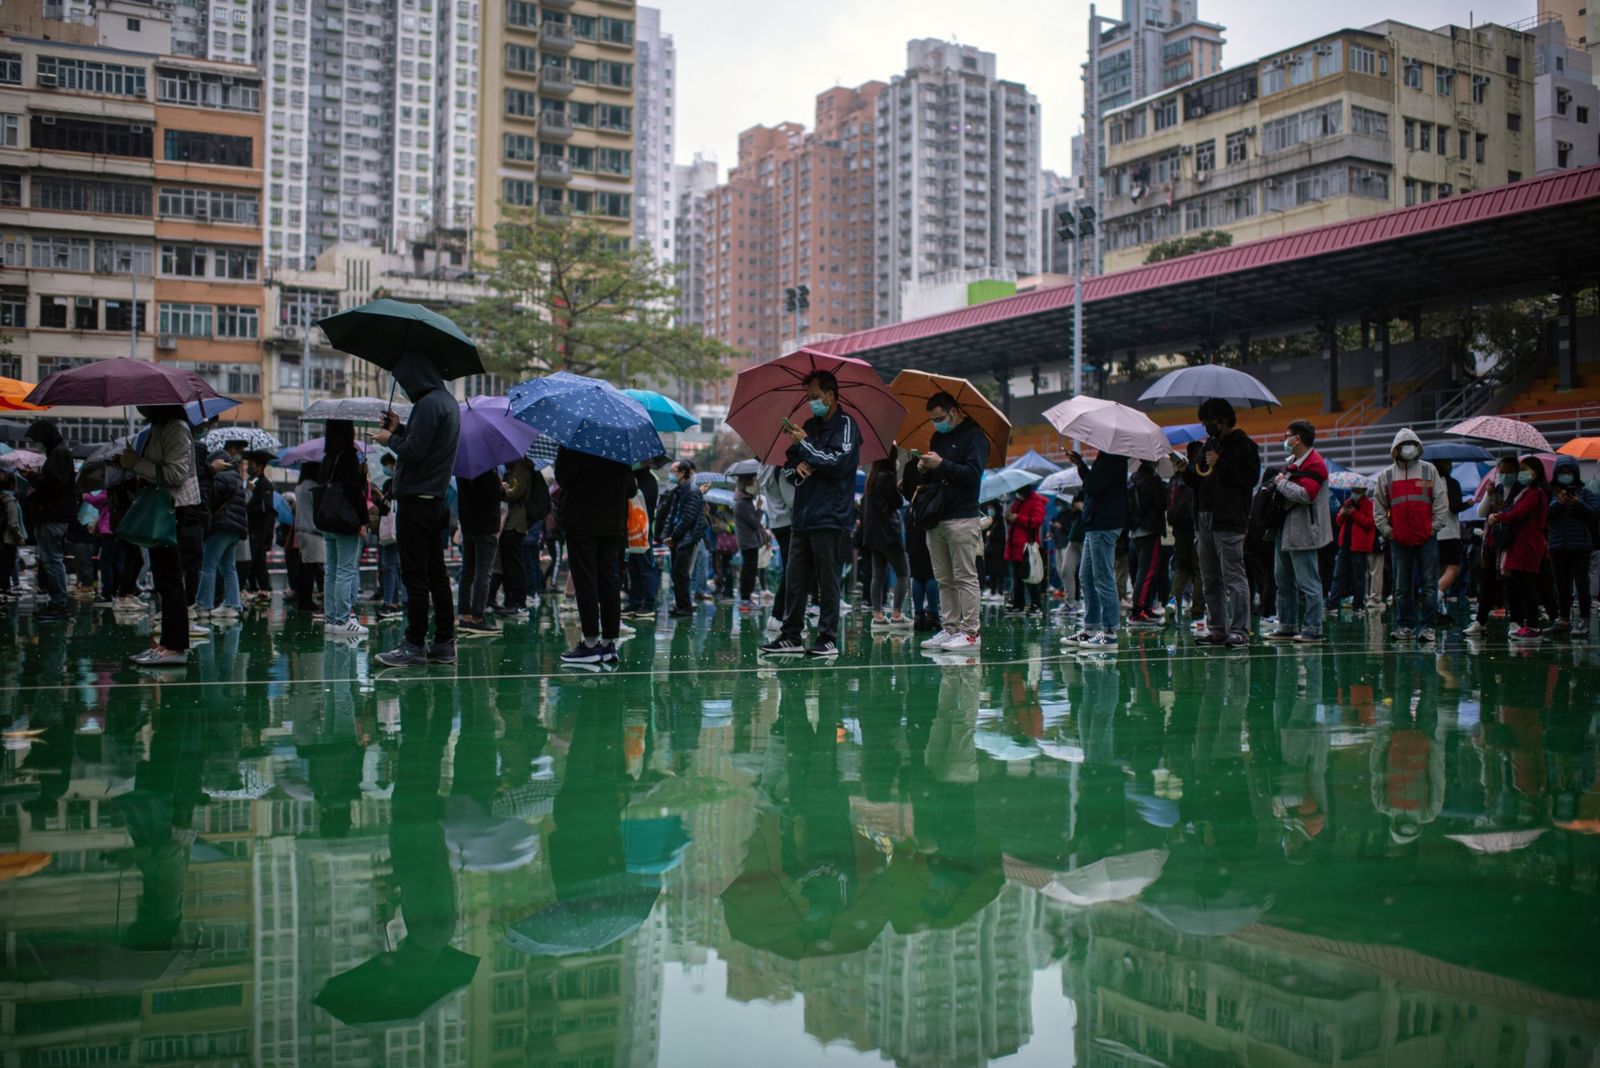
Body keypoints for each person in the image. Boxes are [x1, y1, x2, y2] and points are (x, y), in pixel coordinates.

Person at [759, 371, 862, 658]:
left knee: (827, 578)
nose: (811, 402)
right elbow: (790, 463)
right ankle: (790, 635)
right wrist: (798, 467)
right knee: (795, 576)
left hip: (830, 515)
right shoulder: (808, 426)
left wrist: (805, 446)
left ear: (831, 394)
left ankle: (827, 637)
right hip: (803, 515)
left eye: (815, 397)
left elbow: (838, 462)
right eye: (809, 397)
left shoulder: (847, 426)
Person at [375, 353, 462, 668]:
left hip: (416, 501)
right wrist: (399, 430)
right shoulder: (447, 403)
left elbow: (415, 451)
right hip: (434, 501)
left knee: (414, 574)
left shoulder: (428, 405)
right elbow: (424, 442)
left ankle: (413, 643)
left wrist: (389, 440)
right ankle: (443, 642)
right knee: (436, 574)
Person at [120, 406, 200, 665]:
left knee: (170, 578)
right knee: (164, 580)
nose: (140, 406)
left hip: (171, 508)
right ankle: (166, 644)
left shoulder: (176, 427)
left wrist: (137, 464)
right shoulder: (158, 427)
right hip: (162, 506)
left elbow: (177, 474)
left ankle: (175, 647)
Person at [913, 392, 988, 652]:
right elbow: (936, 478)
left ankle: (970, 632)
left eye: (940, 418)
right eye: (933, 419)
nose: (936, 423)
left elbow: (972, 474)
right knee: (943, 577)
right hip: (937, 517)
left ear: (954, 411)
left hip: (963, 516)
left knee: (965, 576)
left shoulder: (975, 436)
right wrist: (924, 469)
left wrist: (942, 464)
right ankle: (950, 627)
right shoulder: (938, 437)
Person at [1184, 399, 1260, 648]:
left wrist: (1221, 463)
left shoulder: (1244, 446)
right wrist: (1186, 470)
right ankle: (1217, 628)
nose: (1206, 426)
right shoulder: (1210, 444)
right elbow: (1198, 479)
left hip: (1228, 519)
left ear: (1224, 419)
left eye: (1210, 421)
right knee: (1209, 578)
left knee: (1234, 576)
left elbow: (1248, 480)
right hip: (1204, 518)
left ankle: (1240, 630)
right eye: (1204, 421)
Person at [555, 445, 635, 665]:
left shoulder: (573, 442)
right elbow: (631, 489)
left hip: (581, 520)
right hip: (612, 523)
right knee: (610, 579)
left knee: (585, 580)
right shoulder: (619, 445)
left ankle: (590, 644)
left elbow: (563, 477)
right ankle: (609, 643)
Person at [1372, 428, 1449, 643]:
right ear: (1396, 448)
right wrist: (1389, 532)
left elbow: (1441, 502)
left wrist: (1433, 528)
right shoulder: (1386, 476)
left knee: (1429, 585)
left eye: (1411, 443)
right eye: (1404, 444)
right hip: (1399, 541)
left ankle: (1428, 627)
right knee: (1401, 587)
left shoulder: (1429, 471)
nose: (1408, 447)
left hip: (1426, 539)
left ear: (1417, 446)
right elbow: (1378, 509)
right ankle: (1404, 626)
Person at [1265, 420, 1332, 643]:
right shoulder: (1294, 462)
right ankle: (1286, 625)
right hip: (1285, 529)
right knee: (1282, 579)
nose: (1285, 439)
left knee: (1308, 581)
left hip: (1304, 530)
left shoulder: (1315, 464)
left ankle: (1313, 628)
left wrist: (1282, 483)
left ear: (1298, 439)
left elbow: (1306, 495)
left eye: (1287, 435)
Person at [1063, 448, 1128, 650]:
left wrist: (1083, 470)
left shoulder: (1113, 456)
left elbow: (1093, 486)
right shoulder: (1105, 455)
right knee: (1087, 576)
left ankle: (1109, 633)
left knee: (1102, 576)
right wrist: (1082, 465)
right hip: (1095, 524)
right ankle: (1091, 627)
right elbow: (1093, 483)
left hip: (1104, 523)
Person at [316, 420, 370, 639]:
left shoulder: (327, 457)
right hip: (346, 521)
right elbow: (353, 492)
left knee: (332, 570)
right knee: (346, 570)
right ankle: (343, 619)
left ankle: (331, 619)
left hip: (328, 520)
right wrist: (363, 520)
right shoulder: (347, 456)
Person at [1488, 456, 1550, 643]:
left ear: (1535, 472)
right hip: (1523, 544)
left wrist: (1499, 517)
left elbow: (1519, 513)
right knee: (1523, 585)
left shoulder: (1536, 493)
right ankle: (1528, 624)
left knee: (1527, 585)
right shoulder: (1529, 491)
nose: (1521, 473)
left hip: (1528, 544)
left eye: (1525, 469)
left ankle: (1532, 626)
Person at [22, 419, 75, 621]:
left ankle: (59, 605)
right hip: (52, 514)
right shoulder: (58, 453)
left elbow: (55, 484)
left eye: (37, 440)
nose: (36, 444)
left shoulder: (58, 453)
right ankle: (57, 603)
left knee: (53, 561)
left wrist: (33, 478)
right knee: (52, 560)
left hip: (53, 515)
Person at [1546, 455, 1599, 638]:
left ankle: (1584, 619)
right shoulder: (1551, 493)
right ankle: (1563, 619)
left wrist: (1577, 504)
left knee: (1582, 584)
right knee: (1561, 585)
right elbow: (1544, 516)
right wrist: (1558, 504)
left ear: (1575, 474)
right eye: (1562, 473)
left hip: (1581, 546)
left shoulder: (1585, 493)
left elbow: (1594, 515)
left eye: (1569, 473)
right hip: (1557, 545)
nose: (1565, 476)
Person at [861, 448, 911, 629]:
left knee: (878, 574)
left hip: (874, 536)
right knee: (903, 573)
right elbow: (896, 502)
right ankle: (897, 614)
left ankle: (878, 615)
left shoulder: (872, 478)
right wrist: (899, 489)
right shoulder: (887, 476)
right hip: (889, 534)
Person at [195, 451, 247, 622]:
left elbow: (210, 501)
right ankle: (233, 605)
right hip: (235, 529)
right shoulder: (238, 479)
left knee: (208, 565)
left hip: (221, 526)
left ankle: (204, 605)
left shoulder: (220, 478)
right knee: (229, 568)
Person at [455, 467, 504, 636]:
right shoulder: (486, 468)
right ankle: (477, 618)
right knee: (484, 572)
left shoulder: (461, 468)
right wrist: (503, 489)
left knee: (467, 571)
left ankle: (465, 615)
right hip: (486, 525)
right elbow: (493, 495)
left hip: (468, 525)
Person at [1166, 443, 1206, 629]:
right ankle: (1198, 613)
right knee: (1199, 570)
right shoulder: (1195, 476)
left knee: (1182, 568)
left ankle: (1172, 601)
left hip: (1178, 530)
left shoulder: (1174, 478)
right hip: (1195, 528)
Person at [899, 455, 941, 632]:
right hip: (930, 518)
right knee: (931, 572)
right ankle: (933, 614)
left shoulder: (909, 466)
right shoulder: (935, 463)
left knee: (917, 573)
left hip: (913, 520)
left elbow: (909, 495)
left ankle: (918, 615)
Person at [658, 460, 705, 618]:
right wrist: (666, 535)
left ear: (682, 473)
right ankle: (681, 605)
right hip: (677, 538)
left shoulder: (693, 491)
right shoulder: (678, 490)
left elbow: (687, 518)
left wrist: (673, 536)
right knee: (677, 573)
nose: (671, 474)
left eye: (674, 470)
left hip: (686, 538)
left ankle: (685, 606)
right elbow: (671, 514)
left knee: (682, 573)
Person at [1125, 459, 1167, 626]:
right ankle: (1140, 611)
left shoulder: (1133, 478)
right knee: (1148, 571)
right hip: (1150, 529)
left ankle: (1144, 609)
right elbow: (1161, 504)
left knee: (1141, 571)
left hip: (1135, 530)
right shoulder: (1152, 480)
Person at [498, 456, 539, 621]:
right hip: (509, 522)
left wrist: (502, 488)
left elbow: (514, 494)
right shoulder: (513, 468)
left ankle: (518, 602)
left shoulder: (521, 468)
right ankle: (511, 601)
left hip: (515, 523)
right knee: (509, 563)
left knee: (514, 563)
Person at [1329, 484, 1375, 613]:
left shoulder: (1368, 505)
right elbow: (1338, 521)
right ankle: (1332, 604)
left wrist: (1353, 513)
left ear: (1363, 491)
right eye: (1353, 490)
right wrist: (1343, 513)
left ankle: (1358, 605)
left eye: (1357, 490)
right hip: (1345, 544)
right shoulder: (1347, 502)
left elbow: (1369, 524)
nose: (1354, 492)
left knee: (1358, 578)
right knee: (1338, 574)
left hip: (1359, 547)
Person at [1004, 484, 1046, 616]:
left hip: (1027, 545)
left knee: (1030, 575)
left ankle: (1036, 604)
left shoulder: (1036, 502)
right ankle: (1018, 604)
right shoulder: (1018, 502)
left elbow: (1037, 521)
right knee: (1017, 577)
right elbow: (1013, 520)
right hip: (1014, 545)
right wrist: (1009, 517)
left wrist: (1018, 518)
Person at [1433, 459, 1466, 623]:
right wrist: (1468, 503)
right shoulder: (1452, 483)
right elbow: (1454, 507)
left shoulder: (1429, 484)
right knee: (1453, 569)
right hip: (1450, 532)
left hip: (1434, 533)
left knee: (1440, 571)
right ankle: (1436, 596)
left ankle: (1441, 610)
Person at [624, 462, 659, 619]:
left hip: (643, 531)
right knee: (633, 568)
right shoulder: (633, 477)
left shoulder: (650, 481)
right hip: (631, 530)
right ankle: (635, 601)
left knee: (645, 567)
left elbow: (642, 500)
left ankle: (649, 603)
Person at [292, 462, 325, 614]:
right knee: (312, 567)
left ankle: (303, 599)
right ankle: (306, 601)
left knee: (305, 566)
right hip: (313, 530)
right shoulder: (313, 487)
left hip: (301, 529)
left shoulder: (299, 486)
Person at [374, 453, 404, 618]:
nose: (386, 468)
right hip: (395, 527)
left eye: (388, 464)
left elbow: (388, 504)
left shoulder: (397, 481)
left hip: (393, 528)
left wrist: (381, 497)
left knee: (389, 564)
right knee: (391, 564)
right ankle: (394, 601)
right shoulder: (394, 481)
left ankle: (390, 603)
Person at [244, 454, 276, 600]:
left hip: (259, 528)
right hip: (249, 526)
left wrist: (247, 509)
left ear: (260, 467)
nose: (249, 466)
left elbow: (266, 508)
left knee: (257, 558)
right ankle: (254, 587)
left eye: (252, 463)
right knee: (253, 557)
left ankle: (264, 588)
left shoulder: (265, 484)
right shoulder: (251, 481)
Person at [733, 476, 767, 611]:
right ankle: (745, 598)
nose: (754, 484)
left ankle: (746, 597)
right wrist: (759, 509)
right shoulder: (742, 503)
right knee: (749, 570)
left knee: (750, 569)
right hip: (748, 541)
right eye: (751, 482)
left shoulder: (744, 501)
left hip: (749, 541)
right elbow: (754, 523)